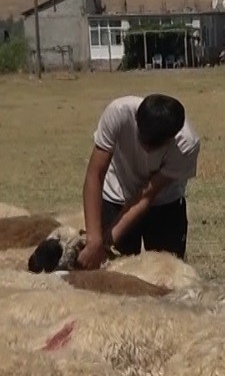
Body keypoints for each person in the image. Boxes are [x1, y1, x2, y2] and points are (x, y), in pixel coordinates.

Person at [76, 93, 201, 270]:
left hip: (164, 203)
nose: (148, 151)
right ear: (136, 120)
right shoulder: (118, 113)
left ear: (173, 137)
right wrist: (95, 240)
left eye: (157, 146)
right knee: (111, 271)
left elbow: (146, 196)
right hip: (116, 193)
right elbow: (95, 174)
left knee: (166, 273)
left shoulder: (187, 144)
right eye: (144, 140)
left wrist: (106, 241)